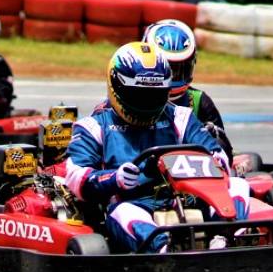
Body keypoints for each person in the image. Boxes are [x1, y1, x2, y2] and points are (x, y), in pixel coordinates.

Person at [65, 42, 251, 253]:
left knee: (237, 184)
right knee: (123, 212)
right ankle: (164, 251)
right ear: (117, 87)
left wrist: (215, 164)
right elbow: (75, 176)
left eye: (154, 96)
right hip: (137, 204)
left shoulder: (181, 117)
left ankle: (225, 240)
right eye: (140, 95)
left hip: (189, 198)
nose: (147, 103)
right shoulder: (94, 126)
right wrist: (114, 178)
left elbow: (216, 153)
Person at [141, 18, 234, 160]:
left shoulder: (199, 101)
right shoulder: (131, 97)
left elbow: (223, 151)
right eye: (166, 69)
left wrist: (213, 136)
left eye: (178, 70)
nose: (171, 77)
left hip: (190, 173)